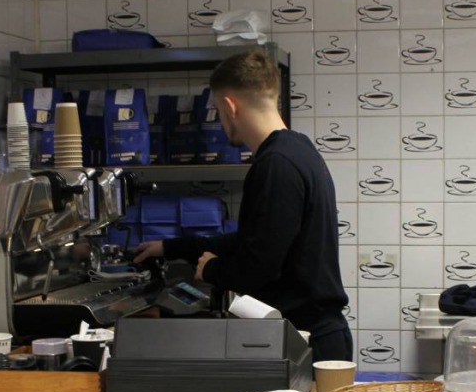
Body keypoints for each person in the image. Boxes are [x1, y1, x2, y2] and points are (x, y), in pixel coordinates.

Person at [133, 48, 353, 362]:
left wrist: (212, 270)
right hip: (311, 335)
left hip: (306, 341)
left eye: (218, 111)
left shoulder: (276, 164)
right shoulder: (297, 150)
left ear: (229, 106)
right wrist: (173, 248)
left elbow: (259, 265)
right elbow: (256, 238)